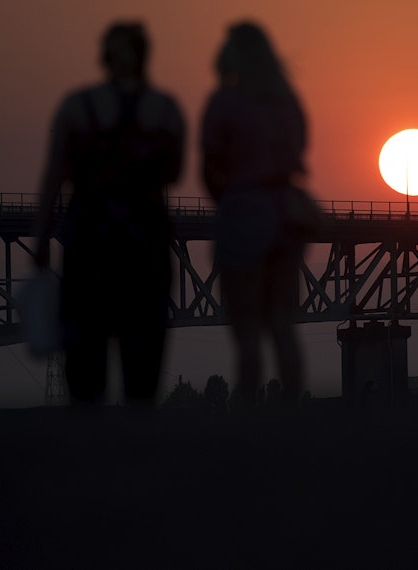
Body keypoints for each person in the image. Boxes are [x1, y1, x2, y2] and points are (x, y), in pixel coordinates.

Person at [34, 22, 185, 406]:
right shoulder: (166, 111)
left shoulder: (75, 107)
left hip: (89, 243)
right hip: (145, 244)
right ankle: (136, 454)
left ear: (104, 54)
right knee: (143, 368)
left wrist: (40, 240)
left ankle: (92, 454)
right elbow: (175, 173)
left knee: (85, 366)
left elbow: (53, 176)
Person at [201, 21, 309, 410]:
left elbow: (210, 166)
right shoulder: (289, 103)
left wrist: (230, 199)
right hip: (285, 216)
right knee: (283, 326)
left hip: (242, 215)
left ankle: (248, 423)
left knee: (247, 330)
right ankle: (292, 420)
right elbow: (298, 159)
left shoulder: (225, 102)